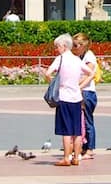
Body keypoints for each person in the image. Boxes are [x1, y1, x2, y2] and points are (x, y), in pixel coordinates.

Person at [44, 34, 94, 167]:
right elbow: (91, 73)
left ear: (64, 46)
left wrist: (53, 85)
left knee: (66, 130)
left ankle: (66, 158)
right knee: (77, 130)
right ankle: (76, 157)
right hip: (77, 98)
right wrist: (80, 86)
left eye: (57, 46)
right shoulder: (77, 60)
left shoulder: (60, 59)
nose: (56, 49)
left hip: (64, 97)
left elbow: (48, 74)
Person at [76, 33, 102, 159]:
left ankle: (90, 149)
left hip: (87, 92)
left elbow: (88, 74)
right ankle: (84, 147)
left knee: (87, 121)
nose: (74, 48)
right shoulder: (80, 56)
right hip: (80, 91)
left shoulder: (89, 56)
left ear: (83, 45)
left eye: (76, 45)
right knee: (82, 121)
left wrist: (75, 84)